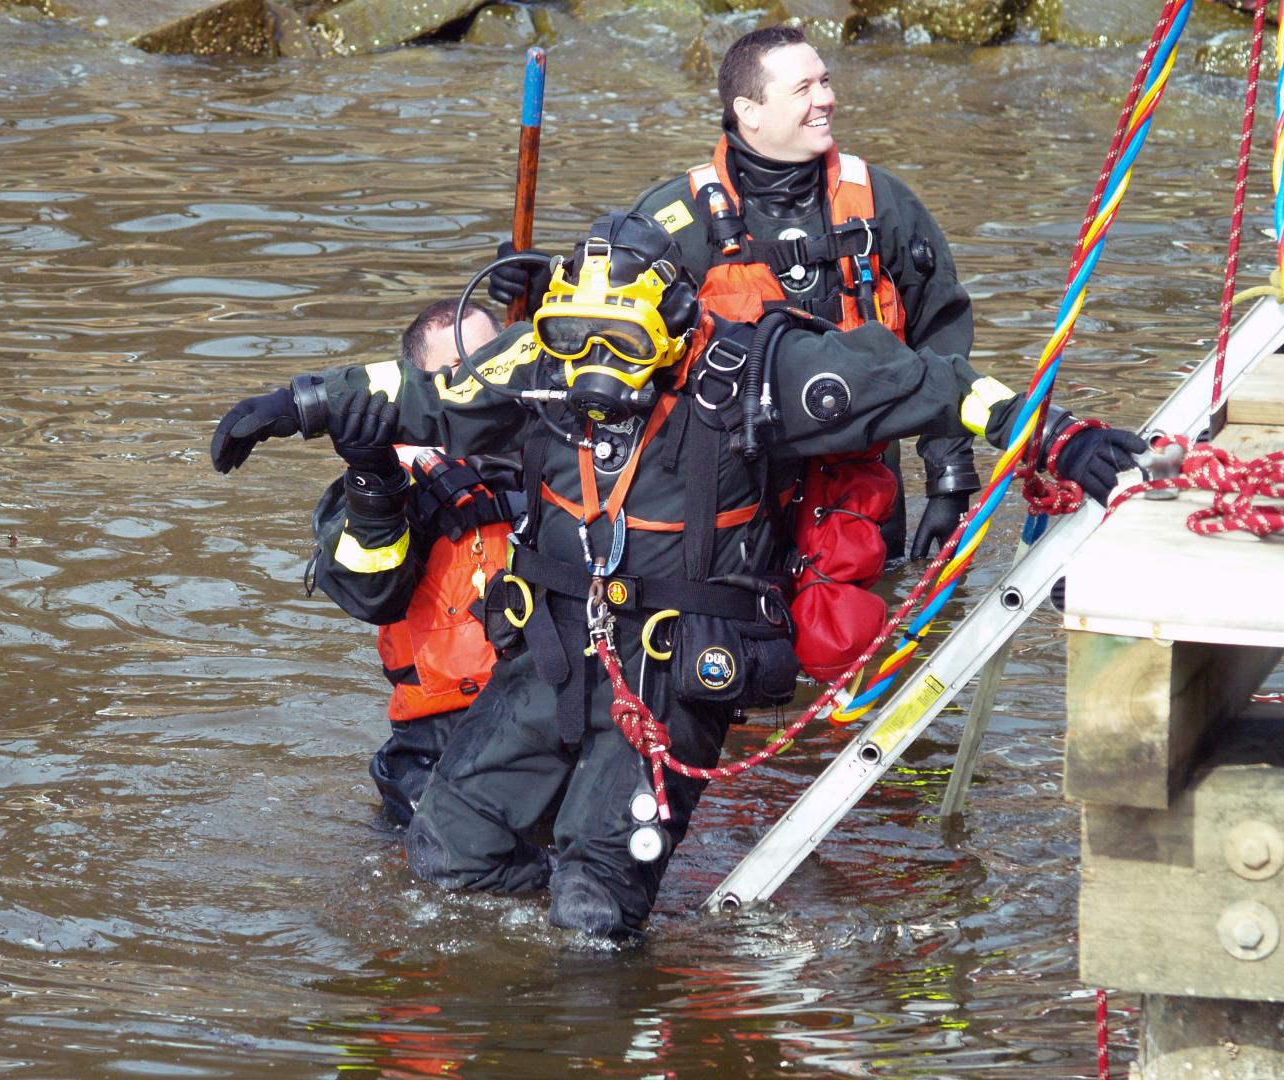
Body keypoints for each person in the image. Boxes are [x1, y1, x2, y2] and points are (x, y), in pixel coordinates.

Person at [211, 211, 1144, 940]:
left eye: (621, 348)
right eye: (578, 343)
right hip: (547, 657)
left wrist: (1062, 435)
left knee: (591, 904)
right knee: (448, 855)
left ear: (676, 321)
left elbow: (932, 384)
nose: (594, 372)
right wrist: (291, 404)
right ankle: (546, 983)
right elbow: (415, 390)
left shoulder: (764, 374)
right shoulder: (546, 363)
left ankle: (609, 990)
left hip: (670, 664)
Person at [490, 24, 979, 563]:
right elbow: (606, 347)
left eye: (825, 81)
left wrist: (949, 480)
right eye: (803, 89)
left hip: (862, 492)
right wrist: (539, 293)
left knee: (866, 630)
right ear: (749, 110)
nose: (826, 99)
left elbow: (941, 335)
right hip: (732, 491)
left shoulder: (881, 202)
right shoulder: (674, 217)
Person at [219, 299, 521, 826]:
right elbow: (370, 593)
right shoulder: (402, 473)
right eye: (455, 370)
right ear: (420, 385)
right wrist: (371, 481)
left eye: (488, 361)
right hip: (443, 741)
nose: (475, 384)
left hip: (559, 713)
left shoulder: (566, 451)